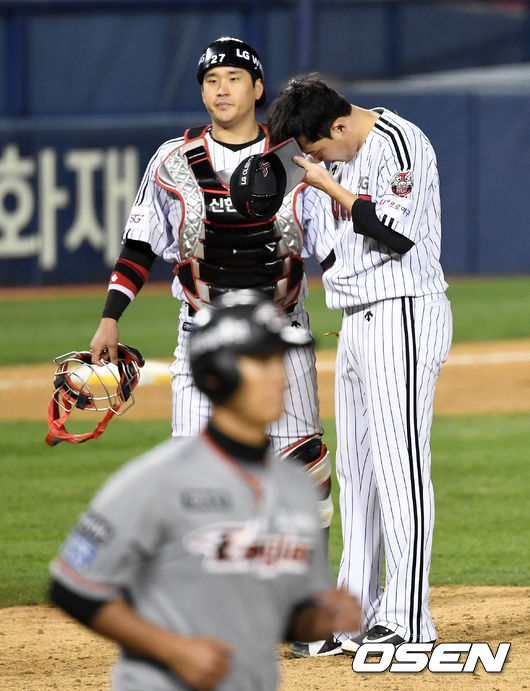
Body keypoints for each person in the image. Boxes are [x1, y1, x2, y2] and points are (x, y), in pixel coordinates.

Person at [49, 290, 361, 690]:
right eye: (261, 362)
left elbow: (276, 610)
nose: (280, 377)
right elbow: (72, 586)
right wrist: (174, 650)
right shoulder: (160, 479)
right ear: (217, 374)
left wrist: (316, 620)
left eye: (279, 360)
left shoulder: (297, 488)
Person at [89, 36, 335, 538]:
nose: (222, 89)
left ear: (258, 88)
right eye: (211, 80)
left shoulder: (295, 158)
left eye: (234, 78)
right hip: (201, 333)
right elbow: (139, 245)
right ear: (202, 91)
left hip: (281, 334)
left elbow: (332, 251)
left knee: (303, 470)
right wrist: (110, 317)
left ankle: (303, 585)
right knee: (195, 476)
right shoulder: (172, 160)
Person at [267, 75, 453, 654]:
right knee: (357, 473)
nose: (315, 159)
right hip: (355, 320)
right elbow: (326, 250)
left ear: (341, 124)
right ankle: (353, 612)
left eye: (318, 147)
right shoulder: (332, 163)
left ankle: (407, 619)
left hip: (404, 311)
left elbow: (396, 234)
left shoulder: (398, 141)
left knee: (400, 469)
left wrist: (328, 185)